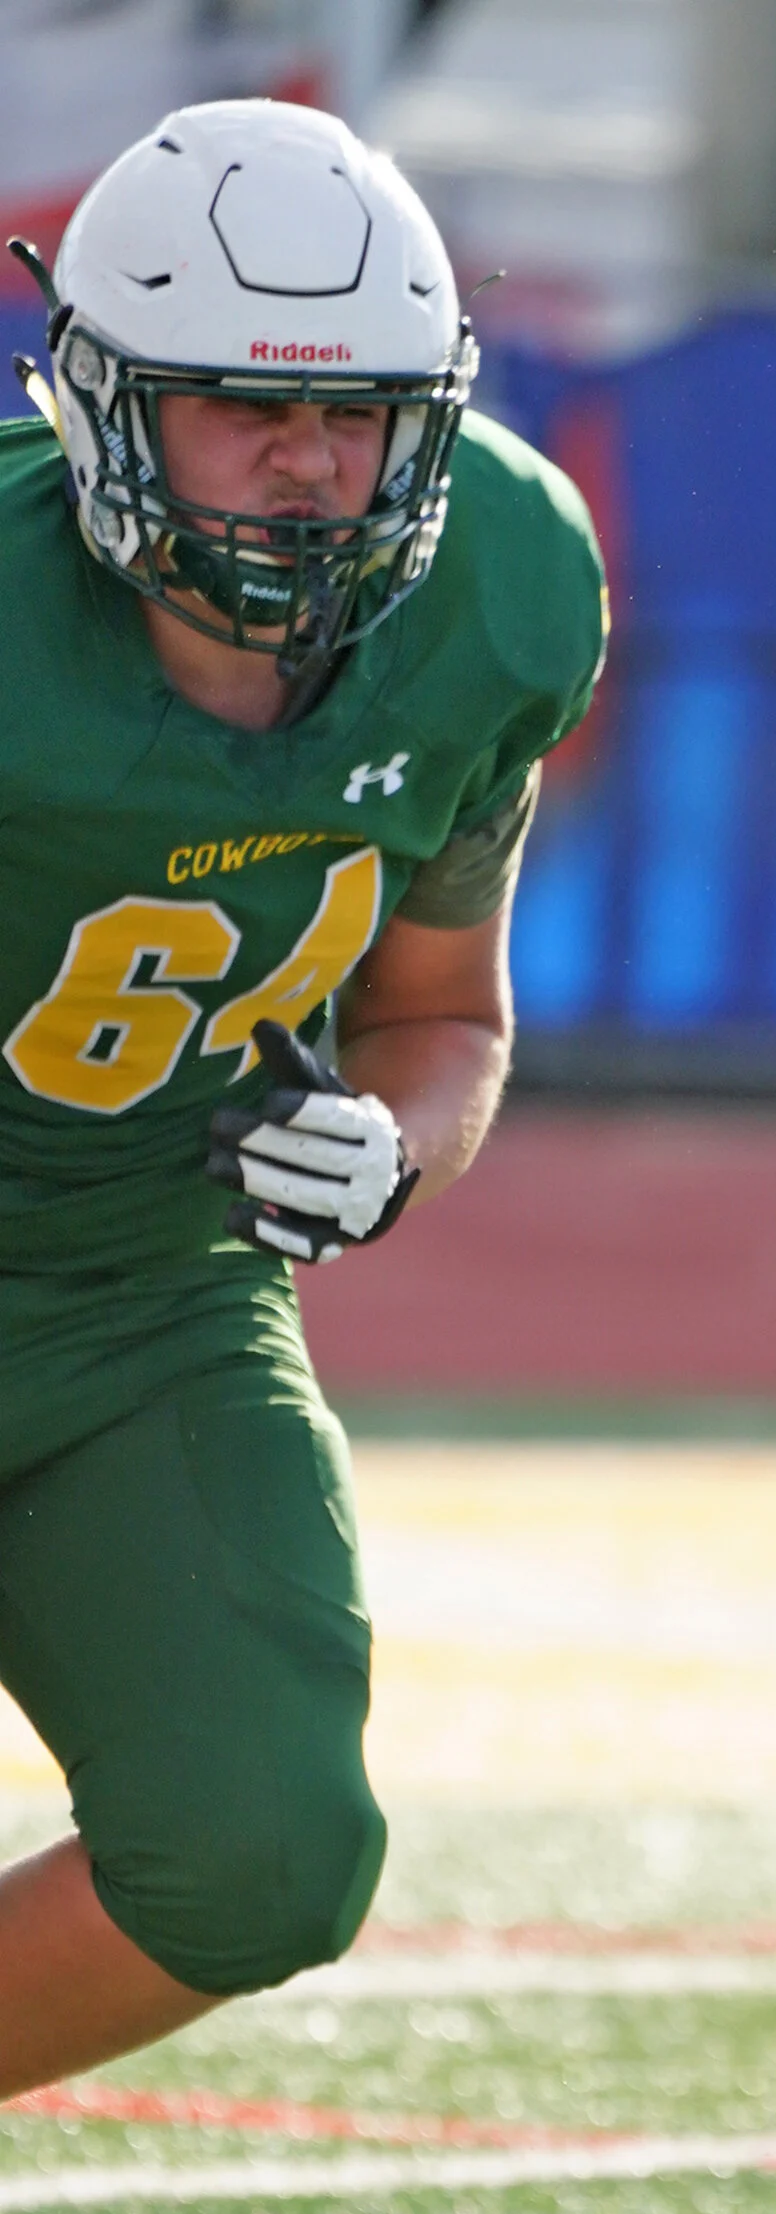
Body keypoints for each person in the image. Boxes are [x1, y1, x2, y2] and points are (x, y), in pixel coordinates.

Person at [0, 100, 604, 2072]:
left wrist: (391, 1149)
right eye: (244, 411)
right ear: (100, 410)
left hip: (140, 1302)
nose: (311, 464)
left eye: (357, 412)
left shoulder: (499, 585)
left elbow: (443, 1011)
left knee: (261, 1854)